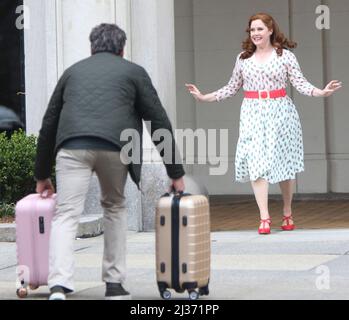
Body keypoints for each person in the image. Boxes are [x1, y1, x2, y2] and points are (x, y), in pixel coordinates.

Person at [34, 23, 185, 300]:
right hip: (116, 148)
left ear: (92, 47)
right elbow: (158, 122)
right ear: (122, 49)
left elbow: (49, 122)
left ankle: (59, 285)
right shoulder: (134, 72)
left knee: (67, 213)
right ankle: (114, 285)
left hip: (72, 147)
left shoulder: (72, 72)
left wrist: (41, 173)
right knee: (114, 207)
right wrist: (175, 171)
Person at [186, 13, 341, 235]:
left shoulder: (285, 57)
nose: (255, 33)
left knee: (284, 163)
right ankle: (264, 217)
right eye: (252, 30)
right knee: (256, 161)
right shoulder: (243, 59)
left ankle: (287, 212)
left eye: (259, 29)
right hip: (252, 112)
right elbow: (231, 87)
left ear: (270, 30)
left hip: (281, 112)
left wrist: (321, 92)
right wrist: (204, 97)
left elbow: (300, 83)